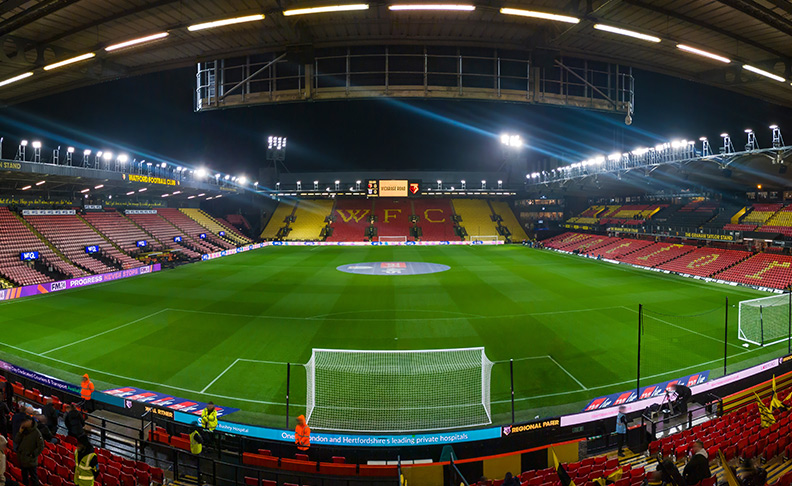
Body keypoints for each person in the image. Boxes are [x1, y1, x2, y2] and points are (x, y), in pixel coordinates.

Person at [14, 416, 44, 486]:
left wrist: (33, 454)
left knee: (34, 478)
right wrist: (20, 432)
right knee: (24, 477)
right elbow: (16, 441)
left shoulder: (37, 433)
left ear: (30, 421)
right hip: (22, 458)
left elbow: (41, 446)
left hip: (31, 460)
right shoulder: (23, 430)